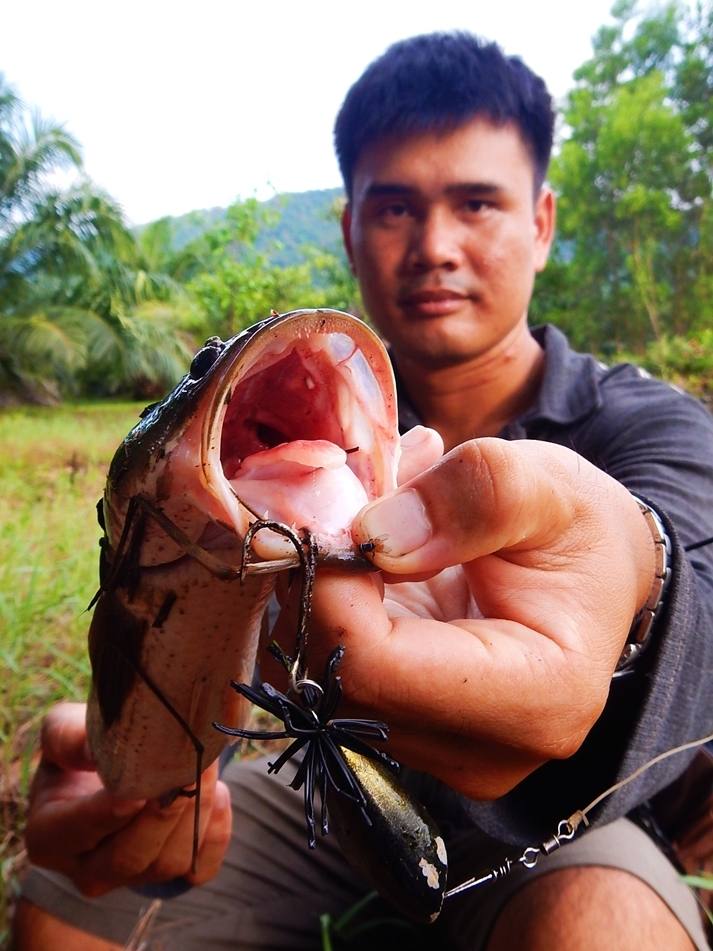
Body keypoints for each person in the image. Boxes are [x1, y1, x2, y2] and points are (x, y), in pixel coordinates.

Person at [13, 32, 713, 950]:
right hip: (311, 785)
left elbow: (695, 577)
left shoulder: (652, 424)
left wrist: (636, 574)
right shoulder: (268, 436)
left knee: (604, 924)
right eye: (393, 209)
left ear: (541, 222)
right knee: (69, 900)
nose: (434, 247)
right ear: (348, 227)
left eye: (476, 203)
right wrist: (142, 771)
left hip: (562, 827)